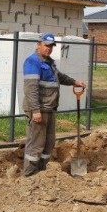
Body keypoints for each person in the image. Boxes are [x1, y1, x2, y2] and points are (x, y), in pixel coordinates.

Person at [22, 33, 87, 177]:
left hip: (49, 108)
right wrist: (35, 110)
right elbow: (30, 89)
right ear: (38, 44)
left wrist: (74, 82)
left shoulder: (49, 62)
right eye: (46, 45)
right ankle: (29, 174)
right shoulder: (33, 62)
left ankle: (42, 172)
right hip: (39, 109)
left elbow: (59, 77)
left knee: (49, 142)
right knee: (36, 144)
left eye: (51, 46)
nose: (49, 49)